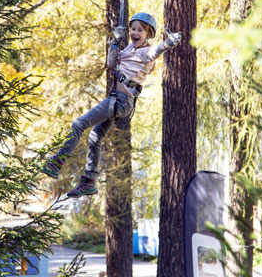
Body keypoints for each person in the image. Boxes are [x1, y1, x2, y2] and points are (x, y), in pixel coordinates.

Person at [40, 12, 182, 197]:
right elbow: (111, 63)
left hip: (121, 101)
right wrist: (115, 42)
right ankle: (89, 181)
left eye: (140, 30)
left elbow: (154, 52)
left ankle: (57, 162)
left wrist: (167, 44)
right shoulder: (130, 48)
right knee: (95, 136)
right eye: (133, 29)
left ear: (148, 34)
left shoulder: (144, 52)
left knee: (79, 124)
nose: (135, 33)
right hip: (119, 101)